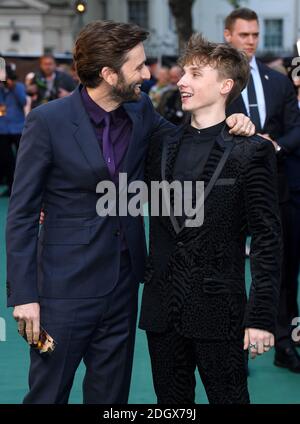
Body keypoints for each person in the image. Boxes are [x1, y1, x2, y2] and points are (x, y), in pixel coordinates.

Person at [6, 20, 254, 404]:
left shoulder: (139, 111)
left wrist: (231, 122)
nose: (147, 73)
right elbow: (21, 214)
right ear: (108, 73)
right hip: (62, 290)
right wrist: (24, 296)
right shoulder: (48, 121)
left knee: (111, 399)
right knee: (48, 394)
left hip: (123, 287)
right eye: (138, 66)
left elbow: (184, 140)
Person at [139, 34, 281, 404]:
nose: (182, 81)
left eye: (195, 74)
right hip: (162, 310)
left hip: (219, 309)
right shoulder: (160, 144)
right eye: (184, 72)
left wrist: (261, 316)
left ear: (225, 85)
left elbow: (267, 239)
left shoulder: (251, 151)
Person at [224, 7, 300, 372]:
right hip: (231, 189)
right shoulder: (219, 82)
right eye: (244, 35)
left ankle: (285, 342)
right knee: (232, 270)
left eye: (255, 35)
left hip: (278, 187)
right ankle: (234, 345)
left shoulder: (279, 80)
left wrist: (274, 146)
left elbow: (295, 127)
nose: (251, 41)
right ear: (228, 36)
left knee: (283, 267)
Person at [0, 63, 26, 196]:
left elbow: (24, 102)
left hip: (18, 128)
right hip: (3, 129)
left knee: (21, 159)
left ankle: (22, 188)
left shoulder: (19, 87)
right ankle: (10, 187)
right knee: (6, 160)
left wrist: (14, 88)